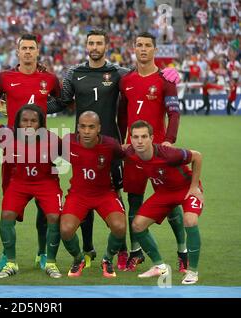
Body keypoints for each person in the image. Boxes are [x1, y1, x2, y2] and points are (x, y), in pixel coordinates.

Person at [51, 29, 181, 271]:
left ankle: (123, 251)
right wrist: (34, 105)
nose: (95, 47)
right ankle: (88, 249)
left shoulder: (119, 74)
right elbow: (61, 101)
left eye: (99, 43)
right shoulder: (73, 73)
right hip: (84, 144)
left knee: (117, 197)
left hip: (113, 146)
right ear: (86, 45)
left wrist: (169, 74)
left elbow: (143, 77)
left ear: (106, 46)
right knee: (84, 190)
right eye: (91, 43)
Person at [0, 34, 61, 272]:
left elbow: (64, 101)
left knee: (46, 206)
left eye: (31, 48)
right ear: (17, 52)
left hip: (43, 146)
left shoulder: (49, 78)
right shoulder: (5, 77)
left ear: (38, 52)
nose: (27, 52)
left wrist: (45, 109)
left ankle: (43, 253)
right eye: (23, 48)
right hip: (12, 149)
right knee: (10, 204)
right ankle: (8, 254)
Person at [118, 32, 187, 272]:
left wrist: (169, 140)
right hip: (133, 153)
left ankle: (183, 251)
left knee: (170, 202)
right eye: (139, 45)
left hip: (159, 152)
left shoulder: (165, 79)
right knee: (134, 200)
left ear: (155, 50)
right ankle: (136, 252)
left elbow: (174, 113)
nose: (143, 49)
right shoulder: (125, 80)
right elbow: (121, 115)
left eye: (148, 45)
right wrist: (121, 141)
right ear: (133, 49)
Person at [125, 120, 203, 285]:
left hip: (185, 189)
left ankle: (193, 272)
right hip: (164, 193)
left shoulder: (168, 154)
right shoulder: (130, 151)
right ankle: (160, 266)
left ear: (151, 138)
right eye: (136, 137)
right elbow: (114, 149)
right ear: (130, 139)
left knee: (190, 220)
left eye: (144, 137)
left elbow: (197, 156)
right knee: (137, 225)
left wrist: (195, 186)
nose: (140, 141)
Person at [0, 104, 62, 279]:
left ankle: (50, 262)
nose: (28, 124)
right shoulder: (9, 140)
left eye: (33, 121)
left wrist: (56, 184)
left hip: (46, 182)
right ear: (18, 123)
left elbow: (60, 164)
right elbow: (8, 168)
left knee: (54, 216)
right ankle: (11, 262)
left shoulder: (52, 139)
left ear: (41, 124)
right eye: (24, 120)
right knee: (7, 214)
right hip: (20, 183)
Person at [61, 111, 126, 278]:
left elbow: (124, 155)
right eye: (83, 127)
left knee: (120, 227)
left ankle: (107, 259)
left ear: (99, 128)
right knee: (66, 230)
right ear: (78, 128)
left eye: (91, 127)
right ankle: (78, 259)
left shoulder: (110, 144)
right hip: (78, 194)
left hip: (104, 194)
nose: (87, 131)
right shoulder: (68, 141)